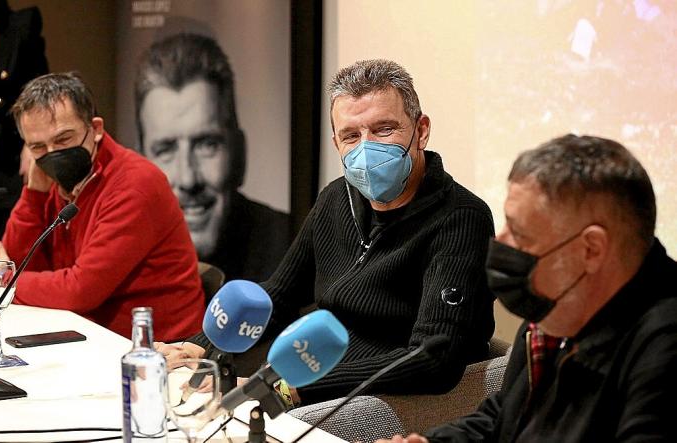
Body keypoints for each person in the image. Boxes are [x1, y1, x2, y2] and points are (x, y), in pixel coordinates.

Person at [159, 59, 496, 407]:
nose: (367, 148)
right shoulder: (337, 196)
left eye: (384, 130)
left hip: (377, 398)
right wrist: (199, 346)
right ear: (336, 143)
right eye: (352, 136)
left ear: (420, 130)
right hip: (309, 376)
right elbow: (281, 294)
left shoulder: (462, 218)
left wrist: (283, 389)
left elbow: (432, 359)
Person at [378, 134, 677, 442]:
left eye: (520, 234)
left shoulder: (663, 347)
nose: (500, 242)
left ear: (591, 249)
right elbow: (505, 418)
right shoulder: (556, 307)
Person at [0, 72, 204, 341]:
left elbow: (80, 291)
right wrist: (33, 196)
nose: (51, 154)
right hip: (87, 333)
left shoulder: (135, 184)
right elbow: (18, 261)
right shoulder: (52, 180)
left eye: (63, 140)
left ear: (96, 129)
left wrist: (5, 282)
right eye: (38, 147)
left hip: (158, 348)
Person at [134, 32, 291, 284]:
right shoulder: (120, 251)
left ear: (240, 153)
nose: (188, 178)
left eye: (207, 144)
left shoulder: (293, 247)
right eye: (166, 150)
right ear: (139, 163)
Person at [0, 0, 48, 252]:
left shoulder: (21, 26)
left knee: (5, 247)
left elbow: (38, 91)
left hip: (6, 153)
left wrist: (31, 145)